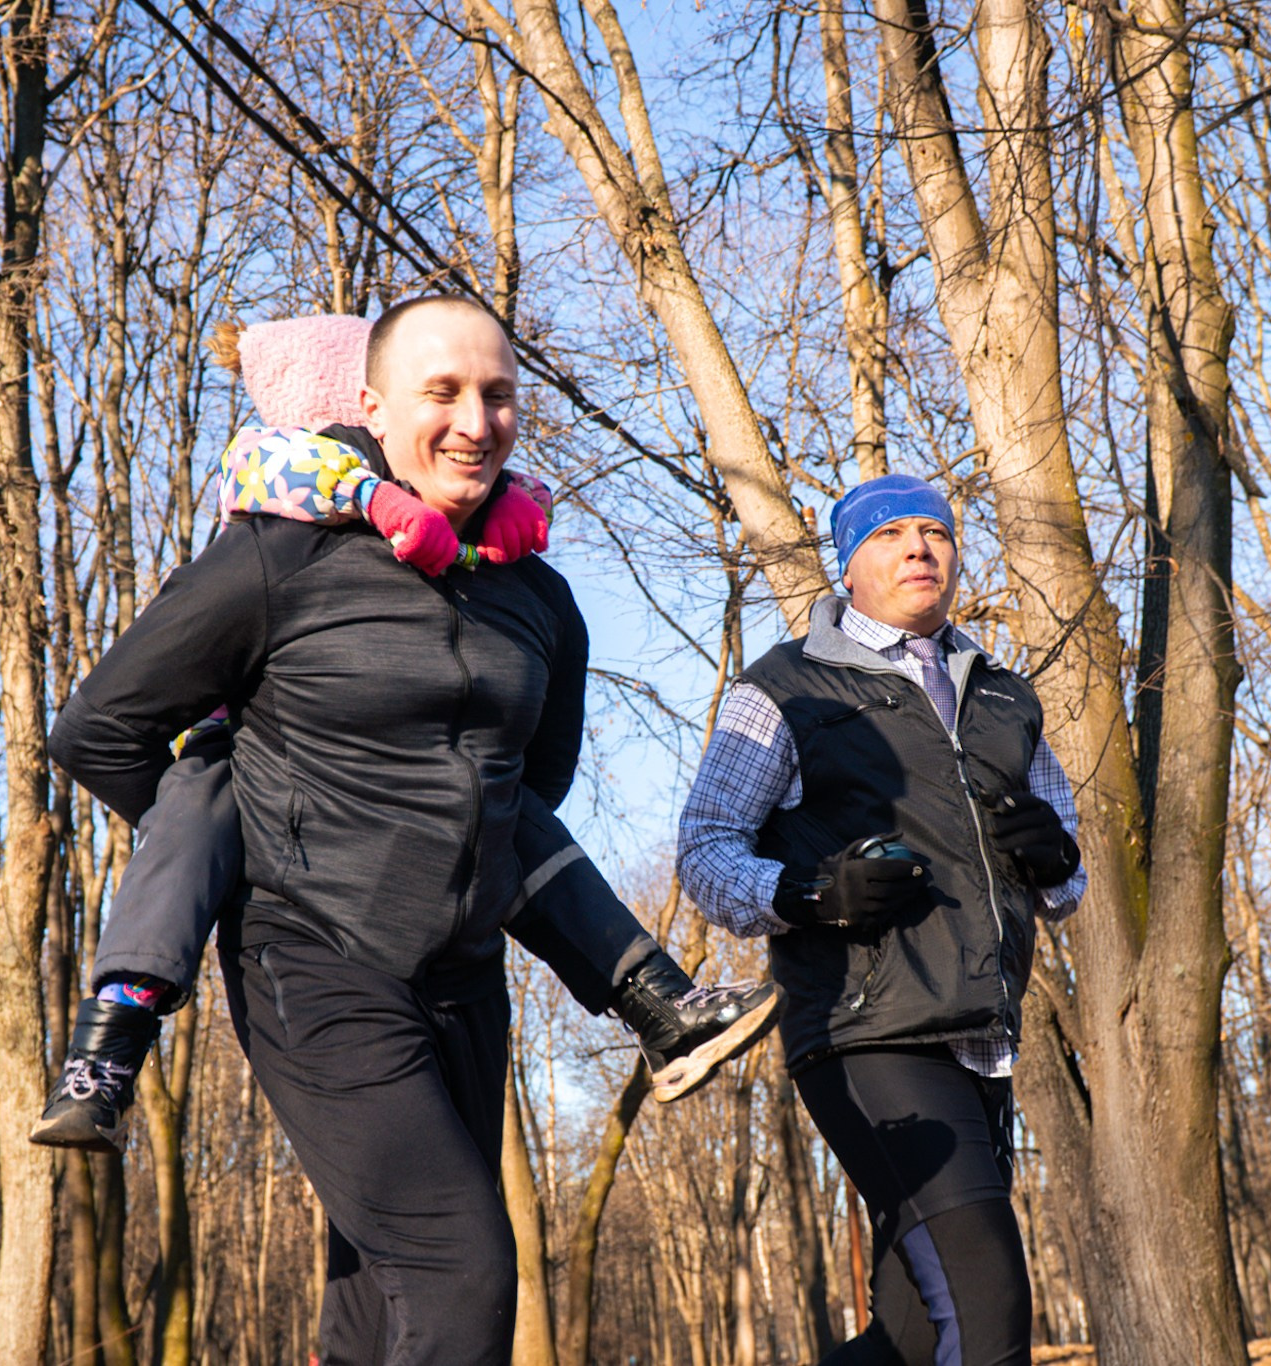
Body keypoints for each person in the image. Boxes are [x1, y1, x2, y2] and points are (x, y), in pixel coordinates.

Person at [47, 296, 769, 1363]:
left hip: (466, 978)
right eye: (441, 393)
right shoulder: (276, 562)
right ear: (373, 407)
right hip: (314, 954)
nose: (473, 420)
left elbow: (535, 781)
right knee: (459, 1267)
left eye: (496, 394)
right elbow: (97, 730)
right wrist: (251, 834)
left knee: (380, 1296)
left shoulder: (538, 598)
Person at [677, 474, 1087, 1366]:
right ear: (850, 565)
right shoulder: (786, 688)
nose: (918, 548)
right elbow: (705, 854)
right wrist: (810, 894)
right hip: (866, 1031)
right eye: (890, 534)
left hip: (982, 1038)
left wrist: (1057, 857)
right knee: (987, 1314)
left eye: (934, 531)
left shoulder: (1005, 697)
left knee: (908, 1336)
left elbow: (1069, 876)